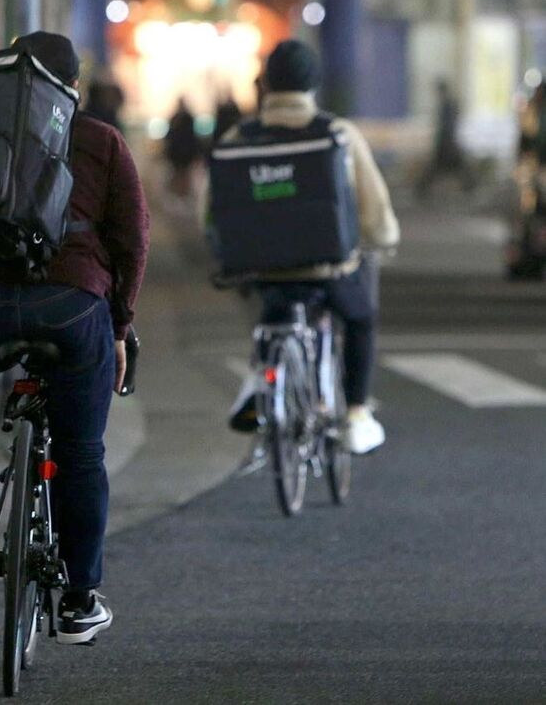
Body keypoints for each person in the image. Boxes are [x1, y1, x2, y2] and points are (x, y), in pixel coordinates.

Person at [0, 32, 150, 645]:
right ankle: (80, 600)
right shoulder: (101, 141)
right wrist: (119, 325)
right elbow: (133, 240)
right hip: (72, 306)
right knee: (81, 454)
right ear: (74, 88)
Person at [223, 40, 400, 454]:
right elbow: (374, 208)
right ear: (313, 83)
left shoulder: (238, 137)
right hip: (328, 268)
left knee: (274, 310)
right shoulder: (338, 134)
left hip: (261, 268)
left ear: (266, 83)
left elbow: (212, 210)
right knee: (360, 318)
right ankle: (356, 413)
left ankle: (262, 376)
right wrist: (383, 238)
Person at [416, 79, 477, 198]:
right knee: (453, 167)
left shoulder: (446, 105)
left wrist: (442, 142)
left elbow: (446, 127)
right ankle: (470, 186)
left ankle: (421, 190)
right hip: (449, 144)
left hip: (446, 145)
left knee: (440, 168)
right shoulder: (449, 104)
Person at [163, 98, 201, 204]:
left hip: (181, 153)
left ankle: (181, 195)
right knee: (181, 174)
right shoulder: (184, 119)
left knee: (181, 174)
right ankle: (181, 195)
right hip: (181, 153)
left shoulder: (177, 119)